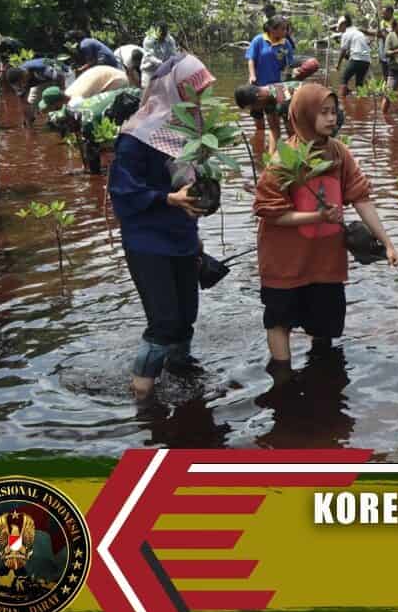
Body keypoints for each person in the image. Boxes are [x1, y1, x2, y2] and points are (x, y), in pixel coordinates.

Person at [253, 83, 398, 374]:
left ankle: (320, 380)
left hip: (325, 260)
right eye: (323, 113)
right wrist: (315, 217)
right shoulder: (284, 160)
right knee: (279, 320)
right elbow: (270, 213)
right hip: (285, 260)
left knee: (325, 326)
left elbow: (361, 197)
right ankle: (282, 377)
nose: (332, 119)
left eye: (334, 112)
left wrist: (387, 242)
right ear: (304, 115)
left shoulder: (339, 153)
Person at [108, 54, 216, 398]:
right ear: (177, 89)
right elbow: (122, 191)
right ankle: (143, 395)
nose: (201, 98)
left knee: (186, 316)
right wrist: (170, 200)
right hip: (148, 240)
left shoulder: (194, 133)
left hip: (182, 237)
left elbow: (192, 184)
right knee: (164, 320)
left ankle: (181, 375)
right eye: (195, 90)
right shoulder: (136, 136)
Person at [234, 81, 301, 152]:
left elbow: (293, 134)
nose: (257, 110)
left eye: (254, 107)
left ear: (259, 97)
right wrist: (271, 157)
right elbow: (274, 129)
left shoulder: (283, 99)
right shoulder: (266, 101)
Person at [5, 56, 73, 123]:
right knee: (33, 103)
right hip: (42, 80)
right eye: (19, 85)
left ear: (24, 75)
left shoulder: (41, 69)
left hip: (64, 74)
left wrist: (61, 101)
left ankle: (67, 116)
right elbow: (23, 102)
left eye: (22, 83)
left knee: (64, 98)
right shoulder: (18, 81)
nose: (21, 86)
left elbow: (61, 78)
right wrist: (27, 120)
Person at [335, 14, 372, 96]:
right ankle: (361, 102)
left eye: (340, 26)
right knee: (359, 84)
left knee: (343, 79)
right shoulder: (357, 31)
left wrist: (338, 65)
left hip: (357, 59)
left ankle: (342, 101)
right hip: (366, 60)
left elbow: (343, 51)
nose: (339, 29)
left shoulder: (346, 34)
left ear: (344, 24)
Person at [141, 24, 179, 90]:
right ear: (156, 32)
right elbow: (149, 57)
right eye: (161, 34)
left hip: (164, 72)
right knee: (148, 94)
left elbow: (173, 54)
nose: (163, 36)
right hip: (150, 71)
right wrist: (162, 64)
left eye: (164, 34)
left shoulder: (170, 40)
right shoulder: (148, 40)